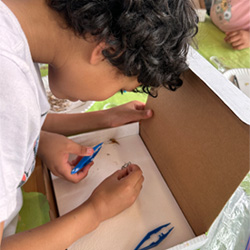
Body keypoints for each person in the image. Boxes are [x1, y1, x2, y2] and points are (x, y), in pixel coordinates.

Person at [0, 0, 198, 249]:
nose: (113, 94)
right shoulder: (8, 87)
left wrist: (44, 140)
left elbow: (19, 122)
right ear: (107, 51)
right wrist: (95, 211)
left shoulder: (14, 32)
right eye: (122, 88)